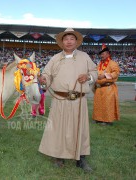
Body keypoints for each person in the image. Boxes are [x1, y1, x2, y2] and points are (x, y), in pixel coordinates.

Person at [38, 28, 98, 172]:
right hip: (60, 99)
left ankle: (81, 158)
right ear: (62, 42)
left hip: (79, 101)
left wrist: (88, 77)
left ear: (76, 41)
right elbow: (47, 74)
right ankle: (59, 156)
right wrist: (43, 79)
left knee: (80, 129)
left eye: (72, 38)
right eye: (66, 39)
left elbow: (94, 72)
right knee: (59, 129)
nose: (69, 41)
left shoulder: (84, 57)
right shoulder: (55, 58)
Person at [92, 44, 120, 125]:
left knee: (107, 105)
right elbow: (95, 73)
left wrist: (104, 75)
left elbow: (116, 73)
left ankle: (108, 121)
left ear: (107, 54)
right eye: (100, 54)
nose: (101, 55)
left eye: (103, 54)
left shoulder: (113, 63)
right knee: (98, 104)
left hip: (108, 88)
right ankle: (98, 119)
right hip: (99, 87)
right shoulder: (99, 64)